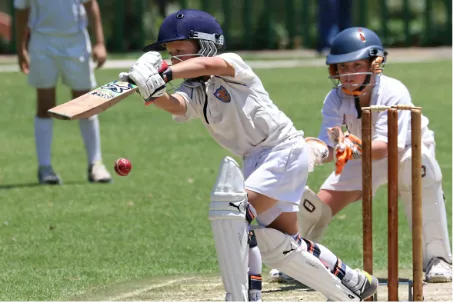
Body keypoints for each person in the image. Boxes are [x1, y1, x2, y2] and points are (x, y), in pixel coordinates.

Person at [119, 9, 378, 301]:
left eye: (179, 51)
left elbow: (205, 63)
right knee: (281, 247)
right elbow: (177, 105)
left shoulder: (232, 65)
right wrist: (152, 93)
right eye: (169, 53)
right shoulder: (195, 90)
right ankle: (353, 284)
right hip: (256, 159)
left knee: (234, 212)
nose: (174, 57)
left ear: (204, 44)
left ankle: (246, 296)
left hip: (282, 149)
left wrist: (164, 71)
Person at [272, 26, 453, 284]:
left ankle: (439, 260)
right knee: (317, 207)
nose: (348, 74)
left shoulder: (393, 91)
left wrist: (344, 149)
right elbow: (331, 145)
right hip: (361, 152)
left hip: (405, 150)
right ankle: (298, 262)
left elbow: (386, 148)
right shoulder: (334, 99)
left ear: (376, 64)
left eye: (356, 65)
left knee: (420, 172)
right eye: (342, 67)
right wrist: (311, 152)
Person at [14, 0, 112, 184]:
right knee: (45, 106)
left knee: (86, 105)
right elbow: (21, 9)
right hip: (42, 42)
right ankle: (45, 168)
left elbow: (90, 4)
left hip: (76, 42)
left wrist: (99, 42)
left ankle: (96, 164)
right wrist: (21, 48)